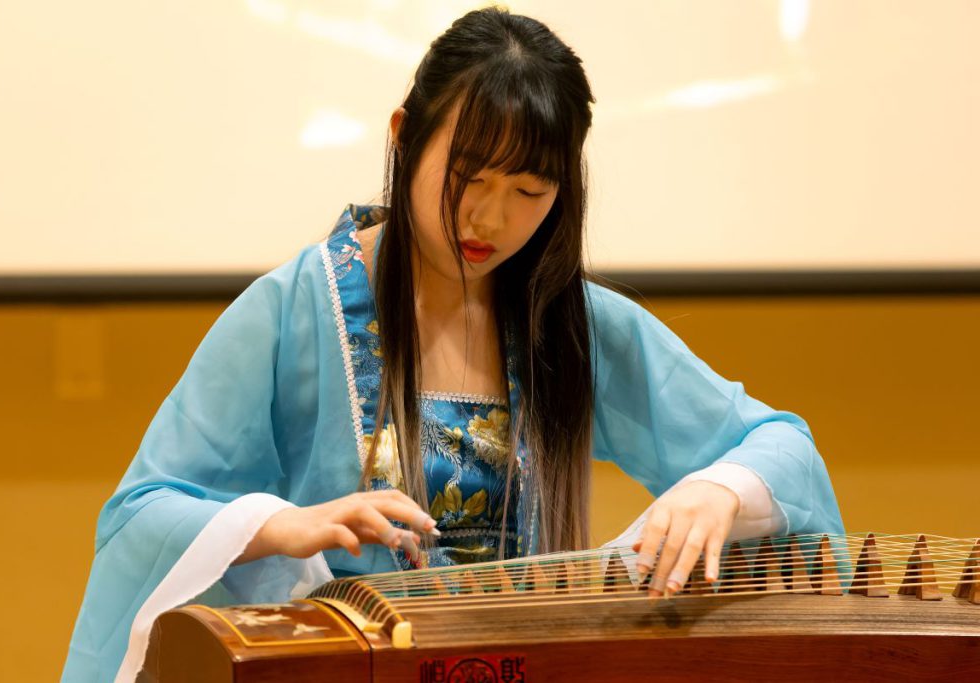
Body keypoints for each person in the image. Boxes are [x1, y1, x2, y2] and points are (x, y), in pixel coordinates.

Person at [62, 6, 844, 682]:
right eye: (468, 175)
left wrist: (720, 489)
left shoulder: (568, 322)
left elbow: (778, 444)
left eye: (529, 192)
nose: (490, 219)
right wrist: (276, 524)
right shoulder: (294, 309)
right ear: (405, 136)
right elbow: (142, 512)